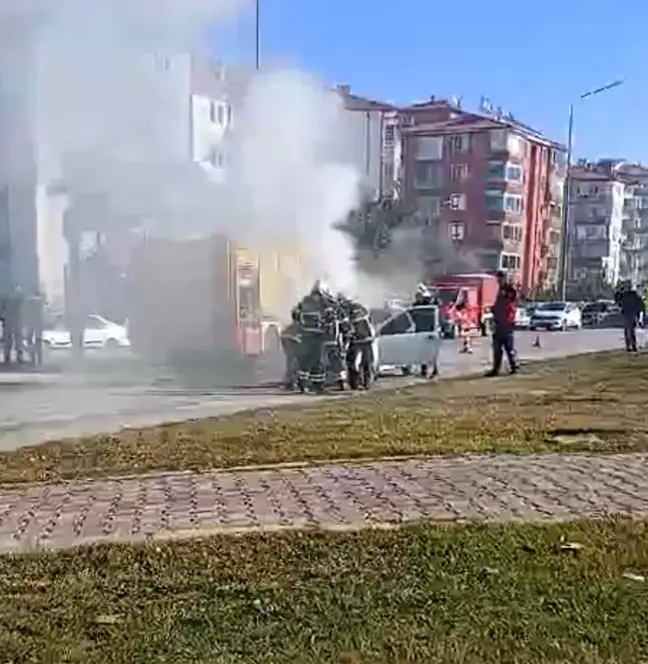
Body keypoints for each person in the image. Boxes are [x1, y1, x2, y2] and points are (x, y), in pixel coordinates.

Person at [294, 279, 335, 393]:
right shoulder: (324, 302)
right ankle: (318, 386)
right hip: (318, 336)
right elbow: (331, 317)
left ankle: (303, 385)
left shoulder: (305, 300)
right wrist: (327, 329)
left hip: (305, 336)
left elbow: (295, 314)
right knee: (318, 362)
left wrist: (302, 326)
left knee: (305, 361)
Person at [340, 294, 376, 390]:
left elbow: (346, 328)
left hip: (356, 340)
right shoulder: (362, 308)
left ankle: (355, 383)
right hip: (366, 339)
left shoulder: (346, 312)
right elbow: (370, 322)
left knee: (352, 362)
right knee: (366, 362)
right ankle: (366, 383)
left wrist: (345, 341)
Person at [486, 270, 518, 376]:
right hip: (499, 322)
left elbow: (510, 302)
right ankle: (496, 369)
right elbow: (499, 305)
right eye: (497, 279)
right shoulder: (500, 290)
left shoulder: (510, 289)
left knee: (508, 346)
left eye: (500, 279)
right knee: (497, 347)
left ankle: (514, 366)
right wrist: (493, 310)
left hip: (507, 322)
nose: (498, 281)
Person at [614, 281, 644, 352]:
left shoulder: (625, 294)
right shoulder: (632, 294)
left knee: (628, 329)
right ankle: (632, 346)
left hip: (627, 312)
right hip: (630, 312)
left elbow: (617, 299)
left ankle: (630, 346)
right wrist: (640, 311)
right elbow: (640, 303)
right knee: (631, 330)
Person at [279, 308, 302, 390]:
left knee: (291, 364)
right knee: (295, 365)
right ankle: (291, 382)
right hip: (294, 349)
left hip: (290, 348)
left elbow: (283, 337)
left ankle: (290, 381)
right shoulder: (298, 327)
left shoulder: (289, 327)